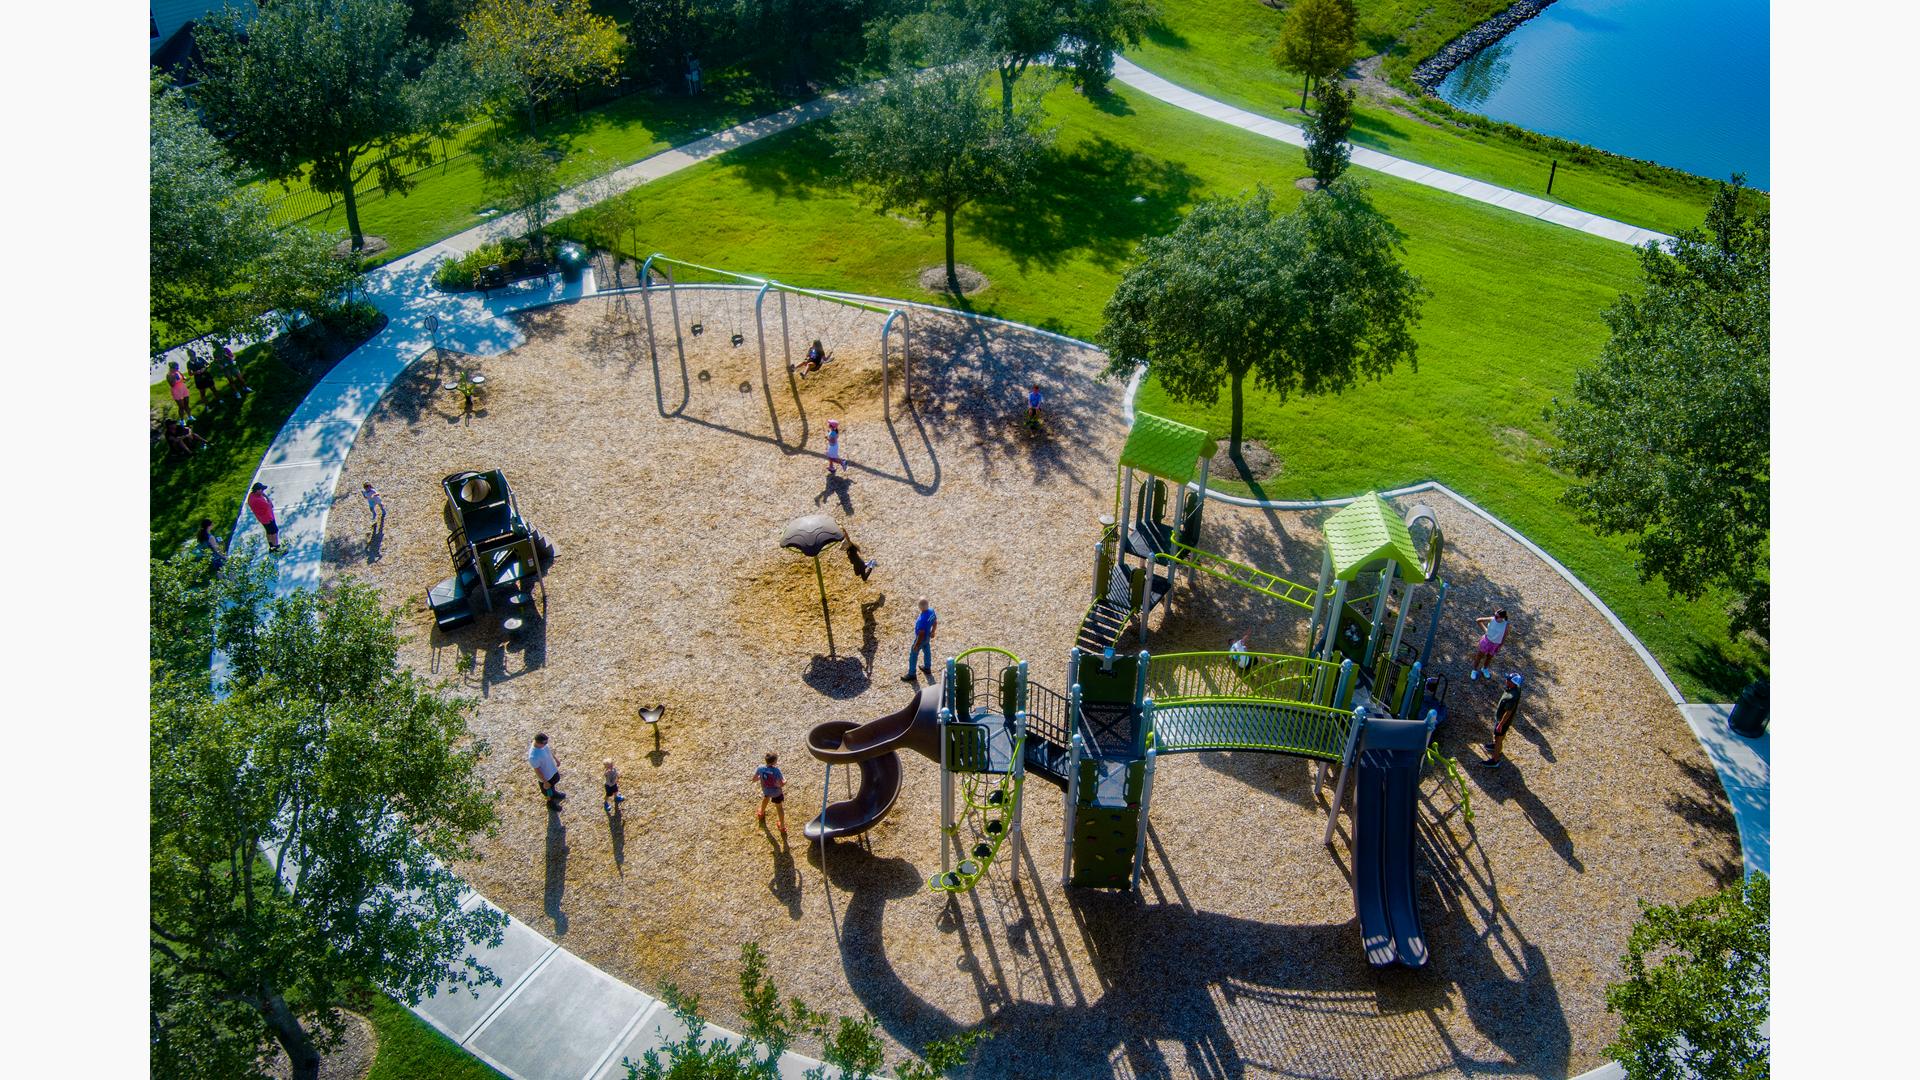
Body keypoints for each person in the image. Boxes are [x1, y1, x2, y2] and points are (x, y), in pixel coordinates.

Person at [1479, 673, 1523, 767]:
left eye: (1508, 680)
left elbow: (1508, 712)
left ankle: (1495, 760)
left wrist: (1501, 724)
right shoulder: (1517, 688)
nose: (1506, 680)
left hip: (1502, 721)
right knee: (1499, 736)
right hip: (1503, 721)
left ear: (1513, 683)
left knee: (1499, 738)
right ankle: (1496, 746)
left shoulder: (1512, 697)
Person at [1468, 608, 1510, 679]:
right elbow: (1478, 620)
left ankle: (1484, 669)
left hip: (1495, 644)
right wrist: (1486, 630)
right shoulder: (1492, 619)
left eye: (1497, 617)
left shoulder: (1506, 624)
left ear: (1502, 618)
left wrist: (1500, 646)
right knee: (1479, 656)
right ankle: (1474, 670)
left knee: (1489, 657)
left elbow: (1504, 636)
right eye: (1495, 615)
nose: (1495, 617)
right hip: (1486, 641)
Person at [902, 597, 936, 682]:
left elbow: (921, 633)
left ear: (920, 607)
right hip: (928, 636)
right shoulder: (932, 611)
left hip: (921, 639)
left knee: (913, 655)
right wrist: (933, 631)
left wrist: (917, 644)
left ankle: (912, 674)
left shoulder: (922, 619)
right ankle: (927, 667)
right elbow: (935, 621)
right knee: (927, 651)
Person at [529, 733, 566, 809]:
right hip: (545, 777)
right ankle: (550, 804)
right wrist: (545, 782)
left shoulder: (543, 745)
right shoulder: (533, 756)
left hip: (552, 770)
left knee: (553, 786)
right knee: (548, 793)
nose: (546, 744)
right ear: (538, 743)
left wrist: (556, 759)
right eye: (545, 743)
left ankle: (554, 794)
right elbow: (537, 770)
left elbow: (549, 751)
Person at [755, 752, 786, 835]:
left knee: (765, 799)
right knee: (779, 808)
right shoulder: (776, 770)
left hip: (766, 790)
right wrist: (785, 780)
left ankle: (761, 813)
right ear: (774, 761)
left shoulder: (760, 768)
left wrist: (760, 777)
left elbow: (754, 778)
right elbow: (782, 783)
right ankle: (782, 827)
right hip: (776, 792)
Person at [246, 482, 281, 553]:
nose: (263, 491)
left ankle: (271, 546)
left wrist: (262, 495)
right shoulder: (258, 500)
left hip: (262, 518)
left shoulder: (251, 496)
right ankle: (276, 547)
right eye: (261, 490)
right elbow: (271, 505)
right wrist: (266, 497)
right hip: (268, 518)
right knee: (274, 531)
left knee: (268, 532)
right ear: (257, 490)